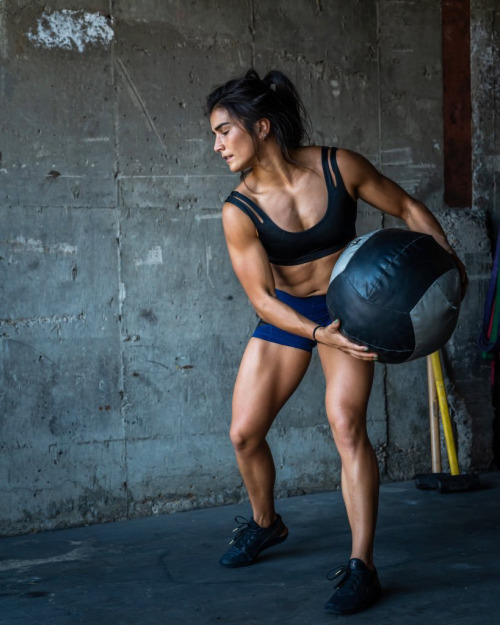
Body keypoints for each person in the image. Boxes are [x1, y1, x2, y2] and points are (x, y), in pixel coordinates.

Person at [205, 68, 467, 616]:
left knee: (348, 426)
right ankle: (265, 524)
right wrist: (318, 333)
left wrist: (448, 265)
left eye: (225, 131)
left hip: (351, 308)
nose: (217, 145)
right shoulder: (238, 209)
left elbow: (409, 210)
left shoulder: (337, 166)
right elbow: (262, 300)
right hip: (292, 314)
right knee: (244, 433)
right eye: (215, 134)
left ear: (262, 126)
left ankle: (362, 566)